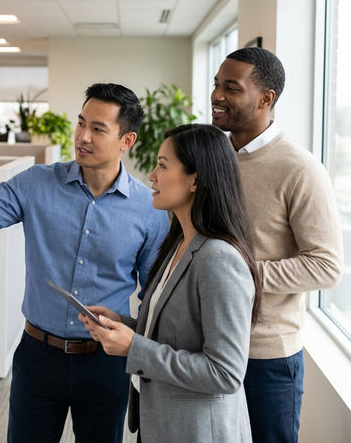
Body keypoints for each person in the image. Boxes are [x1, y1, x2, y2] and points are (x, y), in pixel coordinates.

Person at [0, 83, 170, 443]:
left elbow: (156, 295)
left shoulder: (148, 210)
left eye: (98, 129)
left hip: (106, 361)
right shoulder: (36, 184)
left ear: (127, 140)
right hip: (38, 357)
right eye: (81, 123)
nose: (83, 136)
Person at [80, 123, 261, 443]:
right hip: (162, 424)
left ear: (196, 180)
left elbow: (225, 373)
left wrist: (133, 347)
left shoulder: (219, 259)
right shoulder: (178, 243)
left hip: (198, 431)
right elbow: (175, 335)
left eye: (163, 165)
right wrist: (122, 325)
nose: (151, 175)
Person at [211, 47, 343, 443]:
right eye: (217, 84)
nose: (216, 95)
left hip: (265, 359)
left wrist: (240, 273)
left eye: (231, 88)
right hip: (208, 348)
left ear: (266, 99)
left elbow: (326, 265)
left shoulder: (299, 169)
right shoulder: (212, 157)